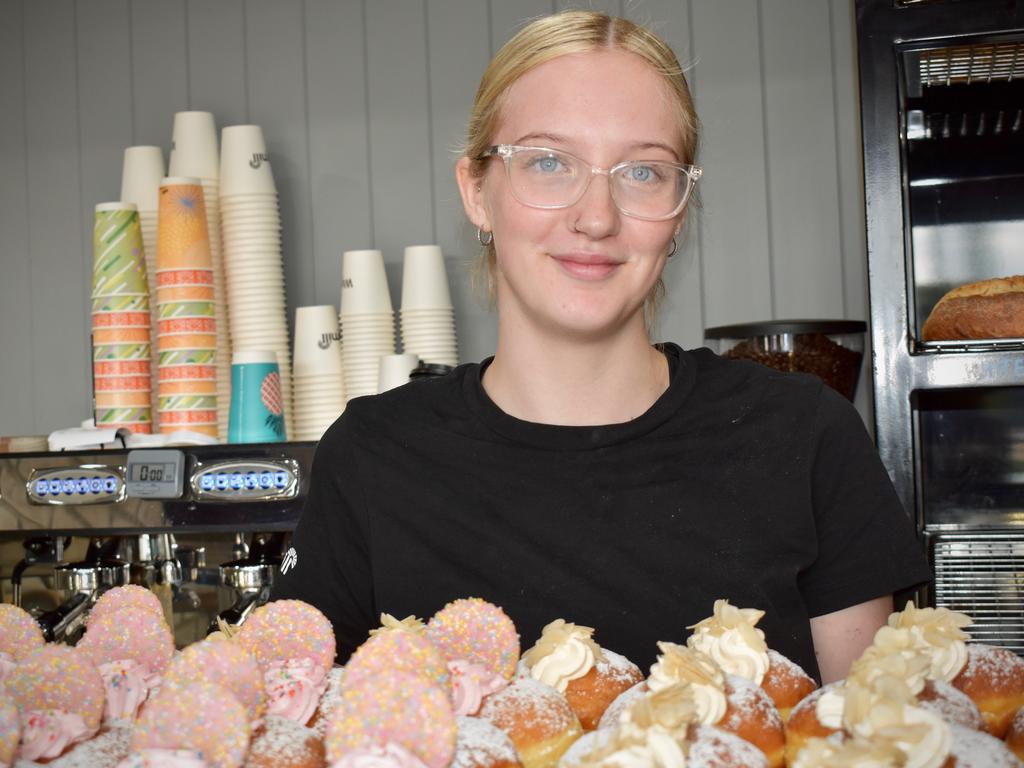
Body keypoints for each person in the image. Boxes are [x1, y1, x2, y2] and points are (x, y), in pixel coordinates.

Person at [272, 10, 931, 684]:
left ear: (678, 211)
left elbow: (870, 739)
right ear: (476, 190)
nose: (596, 217)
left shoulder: (805, 436)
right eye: (549, 162)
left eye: (643, 172)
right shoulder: (374, 457)